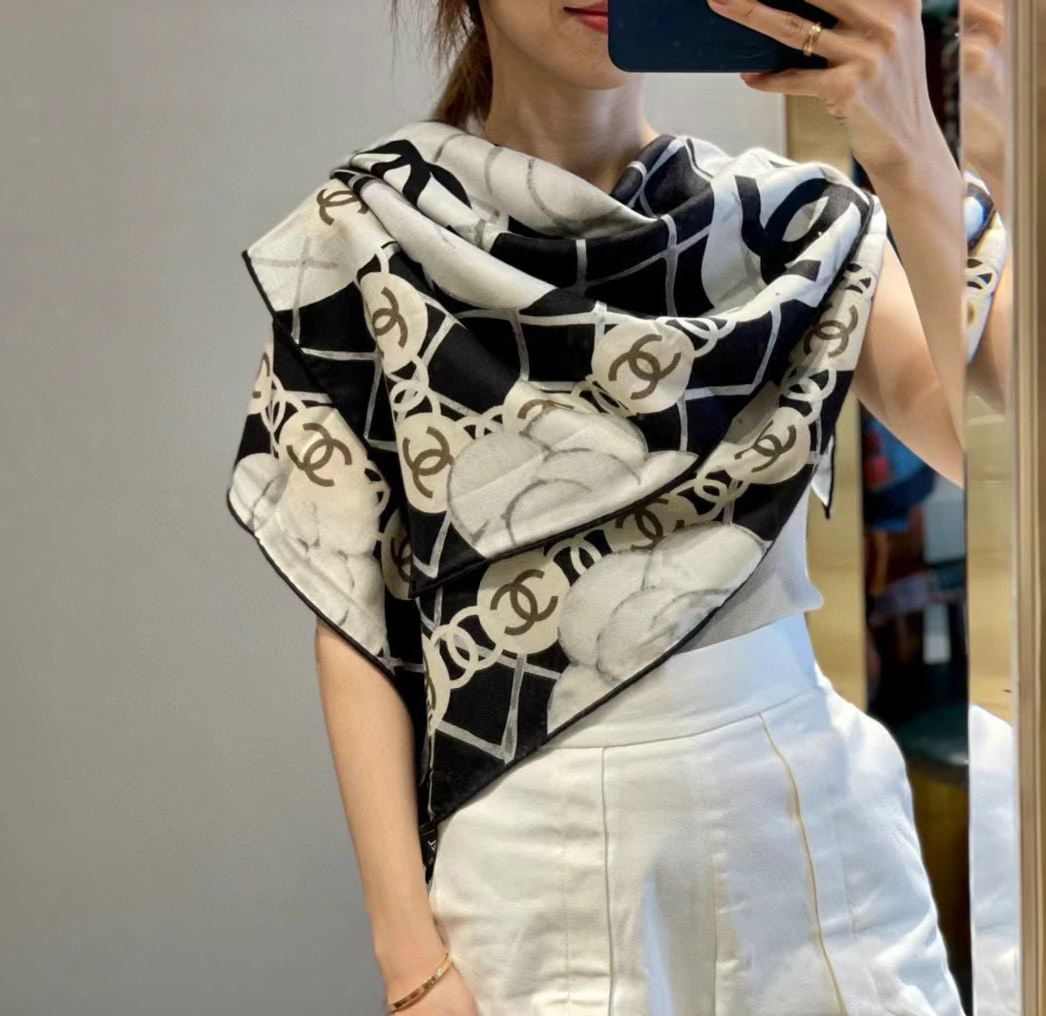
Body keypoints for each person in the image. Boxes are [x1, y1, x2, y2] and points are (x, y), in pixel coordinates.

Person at [225, 0, 1004, 1012]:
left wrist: (909, 153)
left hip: (805, 815)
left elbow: (989, 452)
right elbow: (355, 609)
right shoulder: (370, 236)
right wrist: (409, 961)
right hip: (537, 852)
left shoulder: (787, 226)